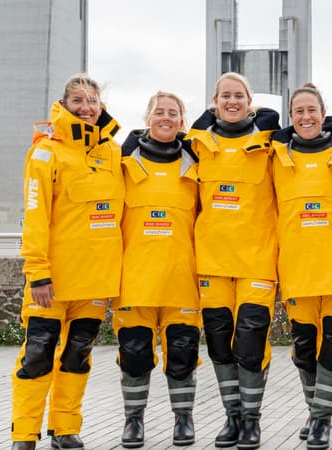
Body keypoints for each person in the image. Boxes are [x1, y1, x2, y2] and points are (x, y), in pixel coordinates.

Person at [11, 73, 124, 450]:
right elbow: (35, 216)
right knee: (38, 354)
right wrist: (38, 272)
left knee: (78, 356)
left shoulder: (113, 152)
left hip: (95, 280)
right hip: (52, 281)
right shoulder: (46, 151)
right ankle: (24, 434)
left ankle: (65, 429)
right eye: (78, 100)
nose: (86, 108)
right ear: (63, 105)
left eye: (92, 101)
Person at [187, 72, 280, 450]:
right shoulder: (198, 144)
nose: (232, 101)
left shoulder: (269, 142)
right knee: (219, 343)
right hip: (212, 261)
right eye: (225, 95)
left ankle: (252, 419)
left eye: (239, 95)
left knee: (252, 341)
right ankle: (233, 416)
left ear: (249, 101)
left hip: (257, 260)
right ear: (214, 101)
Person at [271, 83, 332, 450]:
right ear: (290, 118)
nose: (306, 117)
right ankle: (315, 411)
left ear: (324, 114)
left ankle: (322, 418)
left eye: (312, 110)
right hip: (297, 270)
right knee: (305, 350)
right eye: (299, 111)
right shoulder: (277, 156)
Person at [113, 92, 200, 448]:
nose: (166, 118)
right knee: (134, 353)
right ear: (147, 117)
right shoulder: (122, 163)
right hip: (135, 279)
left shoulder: (196, 165)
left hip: (182, 277)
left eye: (173, 113)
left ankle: (184, 417)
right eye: (159, 112)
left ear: (182, 121)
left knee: (182, 352)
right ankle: (133, 419)